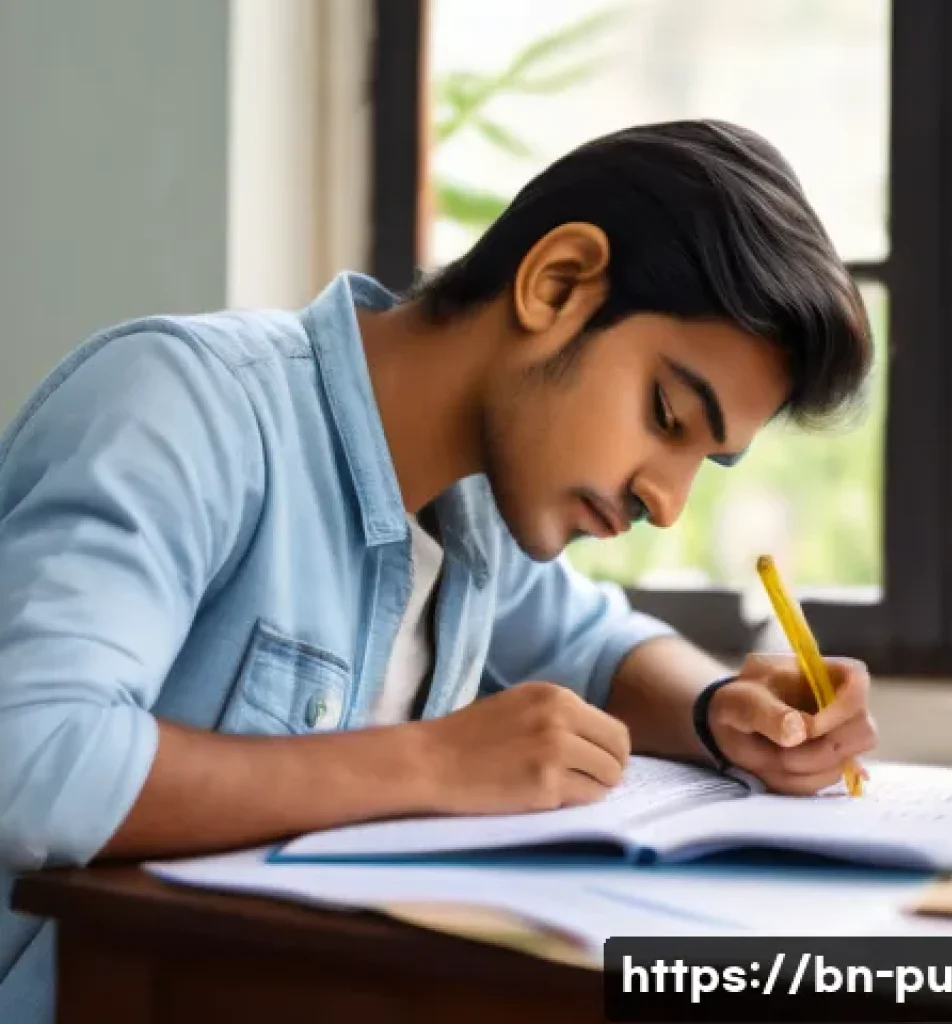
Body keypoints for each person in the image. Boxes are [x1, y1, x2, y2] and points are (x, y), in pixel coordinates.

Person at [0, 119, 877, 1020]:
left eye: (708, 459)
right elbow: (33, 761)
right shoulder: (186, 408)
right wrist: (428, 764)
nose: (668, 500)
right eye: (666, 414)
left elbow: (596, 645)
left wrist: (723, 708)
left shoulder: (479, 509)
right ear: (558, 282)